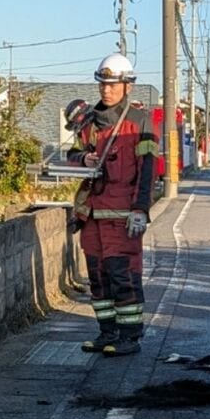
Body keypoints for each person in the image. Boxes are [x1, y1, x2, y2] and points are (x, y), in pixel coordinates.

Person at [68, 53, 159, 356]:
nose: (106, 90)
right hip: (92, 214)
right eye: (102, 84)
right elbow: (72, 154)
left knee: (122, 274)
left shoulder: (139, 121)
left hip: (123, 216)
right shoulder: (91, 121)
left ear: (127, 86)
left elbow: (148, 169)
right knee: (97, 276)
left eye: (112, 85)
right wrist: (85, 158)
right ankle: (107, 333)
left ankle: (129, 337)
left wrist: (141, 209)